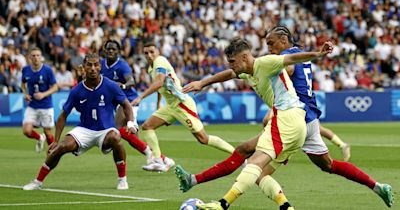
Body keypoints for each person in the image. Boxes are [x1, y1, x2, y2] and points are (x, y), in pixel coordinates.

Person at [178, 31, 393, 209]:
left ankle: (219, 201)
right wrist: (203, 82)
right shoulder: (255, 66)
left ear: (284, 40)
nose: (269, 47)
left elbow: (288, 65)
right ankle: (376, 186)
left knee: (249, 157)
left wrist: (317, 53)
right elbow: (232, 73)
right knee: (324, 165)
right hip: (307, 119)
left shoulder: (282, 56)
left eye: (271, 43)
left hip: (292, 117)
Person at [22, 53, 135, 191]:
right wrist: (55, 141)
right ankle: (37, 181)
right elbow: (63, 116)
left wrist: (130, 122)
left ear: (100, 67)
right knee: (62, 147)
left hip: (105, 130)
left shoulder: (110, 85)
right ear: (84, 68)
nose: (93, 68)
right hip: (85, 129)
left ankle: (122, 180)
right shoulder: (76, 91)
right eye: (89, 65)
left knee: (115, 138)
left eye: (96, 65)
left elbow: (126, 105)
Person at [130, 43, 235, 172]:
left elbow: (159, 82)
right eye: (146, 53)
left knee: (203, 139)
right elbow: (159, 86)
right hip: (170, 106)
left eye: (152, 52)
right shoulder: (151, 68)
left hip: (181, 104)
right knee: (147, 126)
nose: (149, 55)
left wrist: (140, 97)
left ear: (158, 51)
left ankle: (239, 155)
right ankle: (158, 160)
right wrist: (158, 104)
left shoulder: (160, 61)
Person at [100, 39, 174, 169]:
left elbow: (131, 82)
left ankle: (151, 158)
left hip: (128, 100)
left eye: (113, 49)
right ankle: (163, 159)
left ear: (118, 52)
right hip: (115, 103)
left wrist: (122, 85)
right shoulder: (100, 65)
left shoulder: (122, 65)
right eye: (108, 49)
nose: (111, 51)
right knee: (134, 140)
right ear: (104, 50)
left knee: (117, 128)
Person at [21, 47, 58, 153]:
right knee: (26, 131)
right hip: (32, 105)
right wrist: (26, 94)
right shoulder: (26, 69)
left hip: (46, 106)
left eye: (38, 55)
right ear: (29, 58)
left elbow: (55, 87)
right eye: (33, 55)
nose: (36, 58)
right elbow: (23, 83)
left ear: (41, 57)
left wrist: (43, 94)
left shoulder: (47, 70)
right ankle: (39, 138)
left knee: (48, 132)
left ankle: (53, 153)